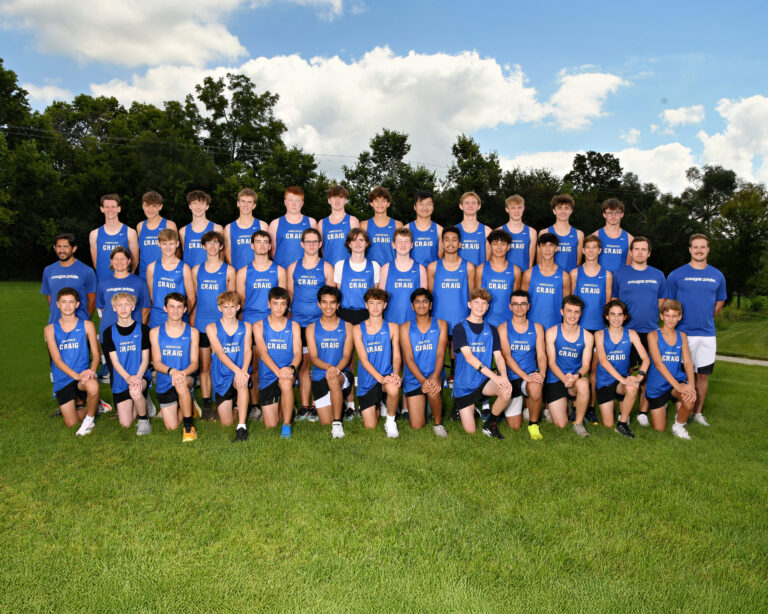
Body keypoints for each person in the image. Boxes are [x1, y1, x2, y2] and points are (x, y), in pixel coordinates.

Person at [665, 233, 727, 426]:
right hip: (684, 333)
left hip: (707, 334)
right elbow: (669, 304)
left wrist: (706, 318)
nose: (699, 250)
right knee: (681, 373)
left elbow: (719, 302)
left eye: (703, 247)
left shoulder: (717, 275)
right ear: (690, 249)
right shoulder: (677, 274)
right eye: (695, 247)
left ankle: (697, 413)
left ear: (708, 249)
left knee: (702, 375)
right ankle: (680, 409)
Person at [612, 236, 667, 424]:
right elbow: (614, 303)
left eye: (644, 249)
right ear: (631, 252)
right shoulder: (620, 274)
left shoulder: (658, 275)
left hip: (650, 331)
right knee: (625, 370)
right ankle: (623, 412)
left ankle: (643, 412)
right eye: (636, 249)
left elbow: (661, 303)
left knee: (648, 370)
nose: (640, 253)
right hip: (627, 331)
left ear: (649, 253)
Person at [237, 229, 287, 413]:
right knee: (254, 365)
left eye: (266, 241)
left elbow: (283, 299)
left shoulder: (279, 271)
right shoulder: (243, 272)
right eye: (258, 241)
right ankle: (256, 405)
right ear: (252, 245)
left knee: (276, 361)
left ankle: (280, 401)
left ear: (270, 246)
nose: (262, 245)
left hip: (273, 323)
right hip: (251, 322)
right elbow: (240, 302)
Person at [286, 228, 334, 420]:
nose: (312, 245)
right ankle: (305, 406)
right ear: (302, 244)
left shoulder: (326, 267)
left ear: (320, 244)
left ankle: (318, 404)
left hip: (320, 324)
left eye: (315, 241)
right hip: (299, 323)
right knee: (304, 364)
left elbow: (332, 298)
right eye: (308, 241)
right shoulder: (292, 267)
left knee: (319, 364)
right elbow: (290, 295)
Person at [452, 288, 513, 438]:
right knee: (470, 432)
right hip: (464, 384)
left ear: (487, 307)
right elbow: (469, 358)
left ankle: (490, 424)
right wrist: (495, 376)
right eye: (476, 302)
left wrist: (503, 376)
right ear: (469, 304)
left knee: (506, 390)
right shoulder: (460, 328)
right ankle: (461, 407)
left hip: (482, 381)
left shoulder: (492, 330)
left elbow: (498, 357)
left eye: (483, 303)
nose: (480, 306)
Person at [44, 288, 101, 435]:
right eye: (64, 302)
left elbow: (96, 354)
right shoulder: (50, 329)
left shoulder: (87, 325)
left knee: (93, 385)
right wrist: (75, 375)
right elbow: (56, 359)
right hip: (63, 378)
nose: (67, 306)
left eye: (71, 302)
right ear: (57, 304)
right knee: (72, 424)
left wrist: (91, 372)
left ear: (77, 304)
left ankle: (89, 421)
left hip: (82, 377)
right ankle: (95, 407)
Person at [192, 231, 235, 419]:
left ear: (221, 247)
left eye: (215, 243)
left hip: (221, 326)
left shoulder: (229, 271)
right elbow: (193, 299)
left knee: (222, 364)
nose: (212, 246)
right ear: (203, 246)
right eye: (208, 243)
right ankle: (207, 404)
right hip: (202, 324)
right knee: (205, 367)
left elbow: (232, 300)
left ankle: (223, 401)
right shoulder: (196, 270)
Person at [570, 234, 612, 425]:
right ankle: (575, 405)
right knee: (577, 368)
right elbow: (571, 302)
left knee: (593, 371)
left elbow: (608, 304)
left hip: (598, 329)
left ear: (600, 250)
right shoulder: (575, 273)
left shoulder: (607, 274)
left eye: (595, 247)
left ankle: (590, 407)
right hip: (579, 328)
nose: (591, 251)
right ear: (583, 250)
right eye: (588, 247)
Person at [594, 299, 650, 438]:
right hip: (605, 382)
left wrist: (639, 377)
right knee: (607, 425)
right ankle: (619, 411)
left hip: (621, 382)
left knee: (632, 387)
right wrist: (623, 380)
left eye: (620, 314)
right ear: (607, 316)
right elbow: (603, 361)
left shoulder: (631, 334)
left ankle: (622, 423)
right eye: (612, 314)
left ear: (625, 317)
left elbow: (646, 358)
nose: (616, 318)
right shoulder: (600, 334)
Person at [306, 286, 354, 439]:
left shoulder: (347, 326)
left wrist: (335, 370)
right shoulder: (311, 328)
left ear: (338, 304)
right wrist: (329, 368)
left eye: (332, 303)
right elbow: (313, 357)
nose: (328, 306)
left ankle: (338, 424)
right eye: (324, 302)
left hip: (341, 373)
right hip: (320, 374)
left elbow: (347, 355)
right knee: (325, 421)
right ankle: (341, 404)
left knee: (333, 380)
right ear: (319, 304)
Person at [253, 287, 302, 438]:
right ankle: (287, 405)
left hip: (287, 372)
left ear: (287, 305)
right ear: (269, 304)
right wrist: (277, 371)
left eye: (283, 303)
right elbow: (263, 352)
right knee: (271, 424)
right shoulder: (259, 325)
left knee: (286, 383)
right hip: (269, 374)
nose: (279, 307)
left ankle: (287, 425)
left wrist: (291, 368)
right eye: (275, 303)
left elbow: (298, 352)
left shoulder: (293, 326)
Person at [149, 292, 199, 441]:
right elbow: (156, 363)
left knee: (180, 382)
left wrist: (181, 373)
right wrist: (173, 372)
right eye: (172, 307)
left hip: (186, 378)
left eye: (179, 307)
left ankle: (189, 427)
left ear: (185, 310)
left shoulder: (193, 332)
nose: (175, 310)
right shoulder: (155, 332)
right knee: (171, 427)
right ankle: (188, 406)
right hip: (165, 382)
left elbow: (195, 363)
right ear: (165, 308)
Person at [428, 226, 474, 385]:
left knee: (458, 348)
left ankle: (455, 370)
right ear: (441, 243)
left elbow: (473, 295)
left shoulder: (468, 267)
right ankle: (438, 373)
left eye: (454, 240)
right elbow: (429, 295)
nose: (450, 243)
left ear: (460, 244)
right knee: (439, 349)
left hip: (460, 316)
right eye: (446, 239)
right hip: (439, 316)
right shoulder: (433, 267)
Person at [352, 288, 402, 437]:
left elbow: (397, 356)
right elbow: (363, 359)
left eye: (379, 303)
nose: (375, 307)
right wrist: (380, 378)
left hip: (386, 377)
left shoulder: (393, 327)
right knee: (370, 427)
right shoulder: (357, 329)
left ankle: (391, 421)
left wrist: (395, 374)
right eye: (371, 303)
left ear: (385, 305)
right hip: (367, 380)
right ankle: (378, 404)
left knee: (393, 387)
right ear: (366, 305)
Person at [497, 290, 547, 440]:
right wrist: (525, 376)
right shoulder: (503, 328)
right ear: (510, 306)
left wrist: (541, 374)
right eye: (516, 304)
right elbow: (506, 356)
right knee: (515, 426)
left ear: (528, 306)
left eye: (523, 304)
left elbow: (541, 355)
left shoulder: (537, 328)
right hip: (511, 379)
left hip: (529, 375)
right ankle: (527, 407)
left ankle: (533, 424)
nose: (519, 307)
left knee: (536, 387)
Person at [399, 289, 449, 436]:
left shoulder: (441, 324)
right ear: (412, 306)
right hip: (414, 378)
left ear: (431, 305)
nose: (421, 305)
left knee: (433, 388)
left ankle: (438, 424)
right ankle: (426, 406)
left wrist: (434, 376)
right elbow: (408, 358)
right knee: (417, 425)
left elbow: (441, 353)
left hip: (435, 372)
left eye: (425, 301)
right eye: (417, 302)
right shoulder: (405, 327)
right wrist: (422, 380)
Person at [645, 300, 697, 439]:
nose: (670, 319)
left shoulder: (682, 336)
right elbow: (658, 363)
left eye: (674, 316)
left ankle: (678, 426)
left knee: (690, 399)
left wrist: (691, 386)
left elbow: (687, 362)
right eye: (667, 315)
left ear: (680, 317)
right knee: (659, 429)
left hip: (676, 382)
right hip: (657, 386)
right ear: (661, 316)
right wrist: (678, 386)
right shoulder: (653, 335)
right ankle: (664, 406)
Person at [544, 295, 595, 437]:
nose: (572, 315)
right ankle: (567, 406)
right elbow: (551, 362)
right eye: (569, 311)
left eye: (576, 312)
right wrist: (564, 379)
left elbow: (586, 365)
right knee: (561, 424)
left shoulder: (587, 336)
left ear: (581, 313)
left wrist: (575, 377)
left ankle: (578, 424)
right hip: (556, 378)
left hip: (574, 379)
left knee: (584, 384)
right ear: (562, 312)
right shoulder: (552, 332)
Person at [102, 292, 152, 434]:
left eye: (127, 305)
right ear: (114, 308)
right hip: (122, 379)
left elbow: (145, 359)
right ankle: (143, 401)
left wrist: (137, 378)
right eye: (119, 305)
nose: (123, 308)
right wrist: (128, 378)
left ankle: (144, 420)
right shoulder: (108, 333)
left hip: (140, 375)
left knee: (135, 391)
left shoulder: (143, 330)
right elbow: (115, 362)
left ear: (133, 307)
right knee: (125, 423)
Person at [207, 291, 252, 442]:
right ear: (219, 308)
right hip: (222, 374)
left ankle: (242, 427)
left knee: (242, 382)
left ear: (238, 307)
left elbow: (247, 350)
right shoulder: (212, 327)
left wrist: (243, 371)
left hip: (240, 370)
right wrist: (237, 370)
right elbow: (219, 352)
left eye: (232, 306)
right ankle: (237, 409)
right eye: (225, 307)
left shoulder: (246, 326)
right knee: (226, 423)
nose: (229, 310)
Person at [96, 247, 151, 342]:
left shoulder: (139, 282)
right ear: (111, 261)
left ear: (129, 261)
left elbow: (146, 309)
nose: (119, 262)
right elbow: (102, 307)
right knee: (110, 357)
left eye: (123, 259)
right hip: (109, 331)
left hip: (133, 332)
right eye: (116, 259)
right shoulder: (103, 283)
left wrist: (138, 328)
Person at [42, 233, 97, 325]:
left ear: (74, 249)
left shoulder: (87, 271)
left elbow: (92, 300)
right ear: (54, 248)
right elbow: (50, 298)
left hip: (79, 325)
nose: (62, 250)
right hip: (55, 324)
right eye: (59, 246)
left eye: (66, 247)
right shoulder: (48, 270)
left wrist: (85, 320)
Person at [146, 229, 195, 329]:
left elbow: (191, 298)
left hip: (179, 319)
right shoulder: (152, 268)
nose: (168, 247)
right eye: (165, 243)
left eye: (171, 244)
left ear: (177, 244)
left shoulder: (184, 268)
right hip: (157, 319)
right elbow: (151, 297)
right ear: (159, 244)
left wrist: (181, 314)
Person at [522, 233, 571, 331]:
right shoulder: (529, 274)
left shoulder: (564, 276)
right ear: (539, 248)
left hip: (555, 327)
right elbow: (522, 303)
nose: (547, 249)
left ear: (556, 248)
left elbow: (567, 306)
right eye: (544, 245)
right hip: (531, 326)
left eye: (551, 245)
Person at [379, 227, 427, 325]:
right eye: (400, 241)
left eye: (406, 241)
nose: (403, 244)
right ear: (393, 245)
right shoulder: (385, 269)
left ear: (412, 245)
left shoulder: (420, 269)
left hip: (414, 323)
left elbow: (424, 301)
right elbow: (381, 301)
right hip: (390, 323)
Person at [476, 229, 521, 328]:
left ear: (508, 247)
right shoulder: (480, 269)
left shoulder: (516, 271)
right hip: (485, 321)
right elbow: (476, 298)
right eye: (495, 243)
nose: (499, 247)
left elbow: (516, 300)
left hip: (508, 322)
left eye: (503, 244)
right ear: (489, 245)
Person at [89, 194, 139, 281]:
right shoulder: (94, 234)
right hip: (104, 282)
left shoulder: (130, 232)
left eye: (113, 207)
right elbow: (96, 263)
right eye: (107, 207)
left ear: (119, 208)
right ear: (102, 209)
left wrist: (128, 277)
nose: (110, 210)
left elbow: (135, 261)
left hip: (125, 281)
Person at [335, 228, 379, 325]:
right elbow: (339, 290)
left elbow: (375, 291)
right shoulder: (340, 265)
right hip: (345, 313)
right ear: (349, 244)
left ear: (366, 243)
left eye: (361, 240)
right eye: (354, 240)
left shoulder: (374, 265)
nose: (357, 244)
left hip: (366, 314)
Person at [269, 186, 317, 269]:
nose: (293, 204)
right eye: (290, 200)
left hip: (306, 273)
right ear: (285, 202)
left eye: (297, 201)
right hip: (282, 273)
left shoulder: (311, 222)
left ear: (302, 203)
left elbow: (315, 248)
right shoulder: (275, 224)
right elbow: (272, 251)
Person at [136, 191, 177, 280]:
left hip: (165, 273)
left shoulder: (169, 225)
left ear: (160, 207)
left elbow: (177, 251)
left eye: (154, 206)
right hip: (144, 274)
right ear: (143, 206)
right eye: (147, 205)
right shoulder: (140, 226)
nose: (150, 209)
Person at [225, 188, 268, 271]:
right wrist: (236, 272)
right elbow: (227, 254)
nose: (246, 205)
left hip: (258, 273)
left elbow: (266, 251)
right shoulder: (229, 228)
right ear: (238, 203)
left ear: (254, 205)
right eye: (243, 201)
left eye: (249, 202)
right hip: (237, 274)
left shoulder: (262, 225)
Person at [180, 190, 224, 269]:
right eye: (195, 203)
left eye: (202, 203)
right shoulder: (183, 231)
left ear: (207, 206)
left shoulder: (217, 228)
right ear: (190, 206)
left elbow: (222, 256)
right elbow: (185, 254)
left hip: (211, 276)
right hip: (190, 277)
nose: (198, 207)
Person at [318, 184, 360, 266]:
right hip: (329, 269)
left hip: (348, 269)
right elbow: (322, 248)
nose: (337, 201)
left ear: (346, 200)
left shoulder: (353, 221)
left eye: (340, 197)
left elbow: (358, 247)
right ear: (329, 200)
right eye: (334, 197)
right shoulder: (321, 223)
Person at [539, 194, 583, 272]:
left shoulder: (579, 234)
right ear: (554, 211)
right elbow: (539, 261)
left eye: (566, 208)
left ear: (571, 211)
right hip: (549, 279)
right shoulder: (544, 232)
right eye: (559, 208)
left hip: (570, 280)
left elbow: (578, 264)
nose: (563, 211)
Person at [361, 186, 402, 266]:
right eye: (376, 200)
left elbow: (403, 250)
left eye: (383, 201)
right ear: (371, 203)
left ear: (388, 204)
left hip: (392, 270)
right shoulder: (364, 225)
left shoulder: (397, 225)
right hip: (371, 271)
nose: (380, 204)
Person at [592, 198, 633, 273]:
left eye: (617, 213)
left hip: (620, 282)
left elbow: (629, 267)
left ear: (622, 214)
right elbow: (590, 264)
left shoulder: (630, 239)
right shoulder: (595, 236)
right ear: (604, 214)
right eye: (610, 213)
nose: (613, 216)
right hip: (600, 281)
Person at [500, 194, 537, 271]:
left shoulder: (532, 232)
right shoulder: (499, 231)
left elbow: (530, 264)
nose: (516, 211)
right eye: (513, 208)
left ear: (523, 208)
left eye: (519, 207)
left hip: (524, 276)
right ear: (507, 209)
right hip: (504, 277)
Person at [408, 190, 443, 266]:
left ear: (433, 207)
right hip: (411, 276)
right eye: (421, 204)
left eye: (428, 204)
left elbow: (441, 258)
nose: (425, 207)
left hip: (432, 275)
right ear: (415, 207)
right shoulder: (406, 229)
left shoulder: (440, 230)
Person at [457, 191, 490, 267]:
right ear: (461, 206)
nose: (470, 205)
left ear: (479, 206)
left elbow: (489, 260)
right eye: (467, 203)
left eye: (474, 203)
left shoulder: (487, 231)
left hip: (479, 276)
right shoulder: (454, 230)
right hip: (459, 276)